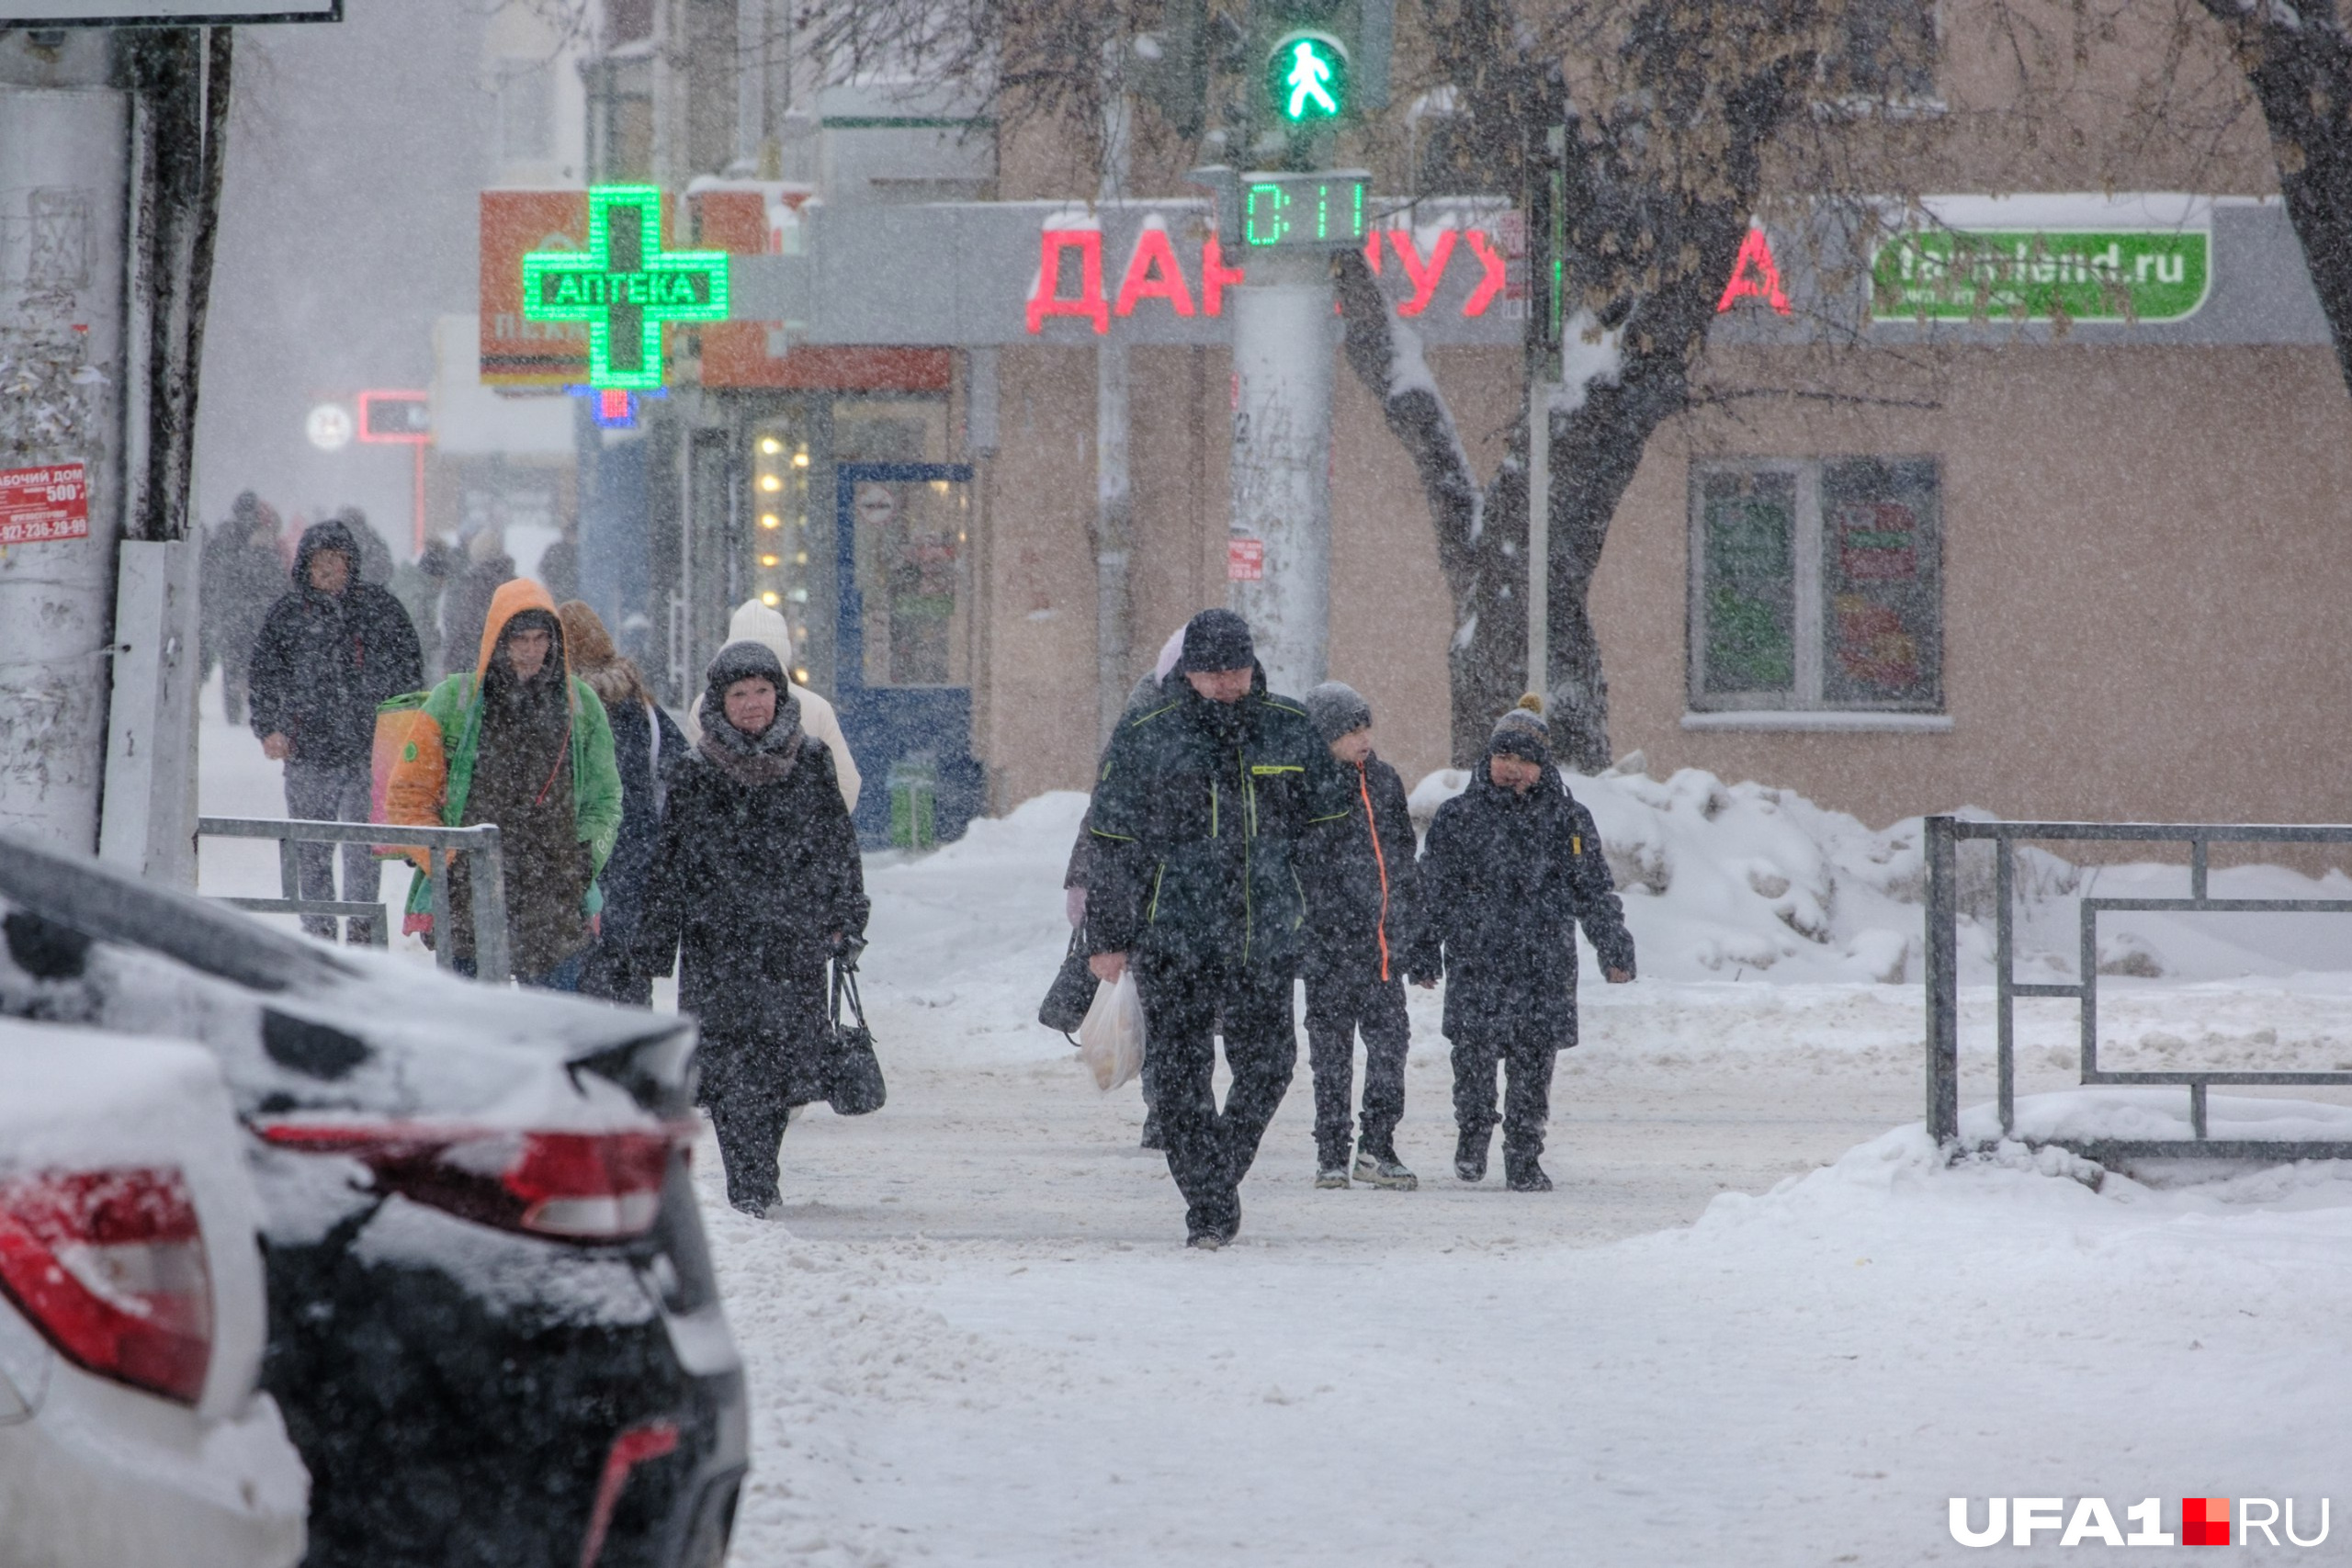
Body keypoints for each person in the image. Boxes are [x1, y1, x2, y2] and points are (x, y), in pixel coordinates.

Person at [1083, 608, 1352, 1249]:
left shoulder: (1290, 731)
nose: (1224, 684)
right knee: (1178, 1077)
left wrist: (1330, 919)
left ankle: (1214, 1179)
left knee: (1270, 1065)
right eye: (1210, 673)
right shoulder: (1147, 735)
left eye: (1234, 670)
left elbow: (1330, 836)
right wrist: (1108, 936)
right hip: (1171, 935)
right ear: (1189, 673)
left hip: (1264, 935)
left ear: (1251, 666)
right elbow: (1112, 842)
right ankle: (1209, 1208)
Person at [636, 640, 867, 1217]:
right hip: (720, 945)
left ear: (780, 695)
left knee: (784, 1066)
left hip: (793, 940)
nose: (753, 704)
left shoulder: (811, 759)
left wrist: (846, 919)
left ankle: (762, 1168)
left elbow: (837, 845)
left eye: (763, 691)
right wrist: (655, 938)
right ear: (719, 702)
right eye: (739, 694)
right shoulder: (694, 771)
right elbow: (672, 860)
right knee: (732, 1069)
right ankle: (749, 1181)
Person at [1409, 696, 1636, 1192]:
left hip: (1544, 963)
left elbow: (1593, 890)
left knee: (1534, 1067)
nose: (1512, 769)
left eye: (1525, 761)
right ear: (1486, 759)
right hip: (1476, 959)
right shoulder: (1458, 817)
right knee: (1472, 1061)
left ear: (1543, 766)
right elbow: (1433, 890)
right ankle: (1473, 1131)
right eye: (1503, 757)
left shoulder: (1568, 820)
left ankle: (1524, 1155)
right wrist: (1423, 949)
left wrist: (1614, 947)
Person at [384, 580, 622, 989]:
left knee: (548, 1034)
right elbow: (407, 796)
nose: (531, 651)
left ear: (555, 641)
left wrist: (582, 858)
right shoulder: (453, 701)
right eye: (519, 640)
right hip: (469, 893)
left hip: (555, 897)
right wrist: (448, 860)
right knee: (477, 1035)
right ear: (498, 640)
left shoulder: (582, 705)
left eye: (541, 638)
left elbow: (605, 799)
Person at [247, 517, 423, 944]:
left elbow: (409, 671)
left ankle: (361, 930)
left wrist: (402, 728)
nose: (328, 571)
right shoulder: (288, 616)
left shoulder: (379, 610)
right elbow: (264, 675)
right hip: (308, 752)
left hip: (368, 752)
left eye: (337, 562)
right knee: (313, 849)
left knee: (363, 850)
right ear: (304, 566)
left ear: (352, 564)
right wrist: (269, 728)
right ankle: (319, 933)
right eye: (319, 563)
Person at [1298, 681, 1421, 1190]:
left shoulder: (1385, 782)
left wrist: (1412, 933)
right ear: (1324, 737)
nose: (1363, 739)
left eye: (1365, 726)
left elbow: (1403, 863)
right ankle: (1331, 1151)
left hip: (1381, 950)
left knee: (1390, 1046)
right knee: (1331, 1053)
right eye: (1350, 731)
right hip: (1328, 948)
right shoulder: (1306, 785)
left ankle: (1377, 1146)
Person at [556, 600, 686, 1005]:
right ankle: (633, 1062)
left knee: (578, 995)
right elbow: (681, 775)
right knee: (630, 993)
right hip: (636, 869)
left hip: (578, 865)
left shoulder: (565, 708)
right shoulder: (643, 708)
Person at [681, 599, 862, 811]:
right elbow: (847, 785)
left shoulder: (705, 706)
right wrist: (812, 830)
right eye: (740, 693)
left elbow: (696, 786)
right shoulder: (816, 707)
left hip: (729, 839)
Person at [200, 491, 285, 726]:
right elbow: (276, 579)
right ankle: (258, 706)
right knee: (258, 661)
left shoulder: (222, 536)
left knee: (231, 661)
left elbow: (210, 573)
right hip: (259, 613)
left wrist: (215, 602)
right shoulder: (264, 536)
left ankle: (233, 709)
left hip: (230, 612)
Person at [441, 527, 514, 679]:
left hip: (474, 663)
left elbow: (460, 627)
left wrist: (449, 663)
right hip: (511, 664)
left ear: (476, 555)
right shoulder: (515, 584)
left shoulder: (471, 585)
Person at [389, 537, 456, 681]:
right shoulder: (418, 596)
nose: (444, 583)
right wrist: (436, 641)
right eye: (443, 577)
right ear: (435, 575)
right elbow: (419, 638)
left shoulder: (415, 589)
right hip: (409, 670)